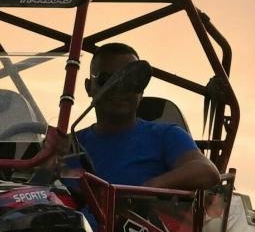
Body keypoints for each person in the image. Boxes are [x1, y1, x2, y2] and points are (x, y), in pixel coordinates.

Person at [70, 43, 220, 190]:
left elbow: (207, 171)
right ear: (89, 87)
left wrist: (149, 188)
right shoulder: (68, 146)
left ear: (141, 91)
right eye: (106, 80)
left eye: (131, 82)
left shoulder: (165, 135)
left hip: (136, 215)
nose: (118, 89)